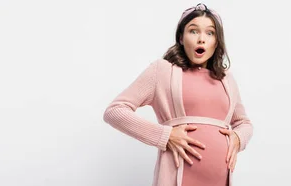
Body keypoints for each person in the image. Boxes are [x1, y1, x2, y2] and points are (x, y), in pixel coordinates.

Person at [102, 3, 253, 186]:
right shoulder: (162, 71)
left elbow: (243, 123)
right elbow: (115, 111)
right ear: (181, 37)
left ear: (217, 41)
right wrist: (164, 135)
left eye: (210, 33)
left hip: (220, 179)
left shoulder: (226, 79)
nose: (201, 39)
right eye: (193, 31)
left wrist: (238, 138)